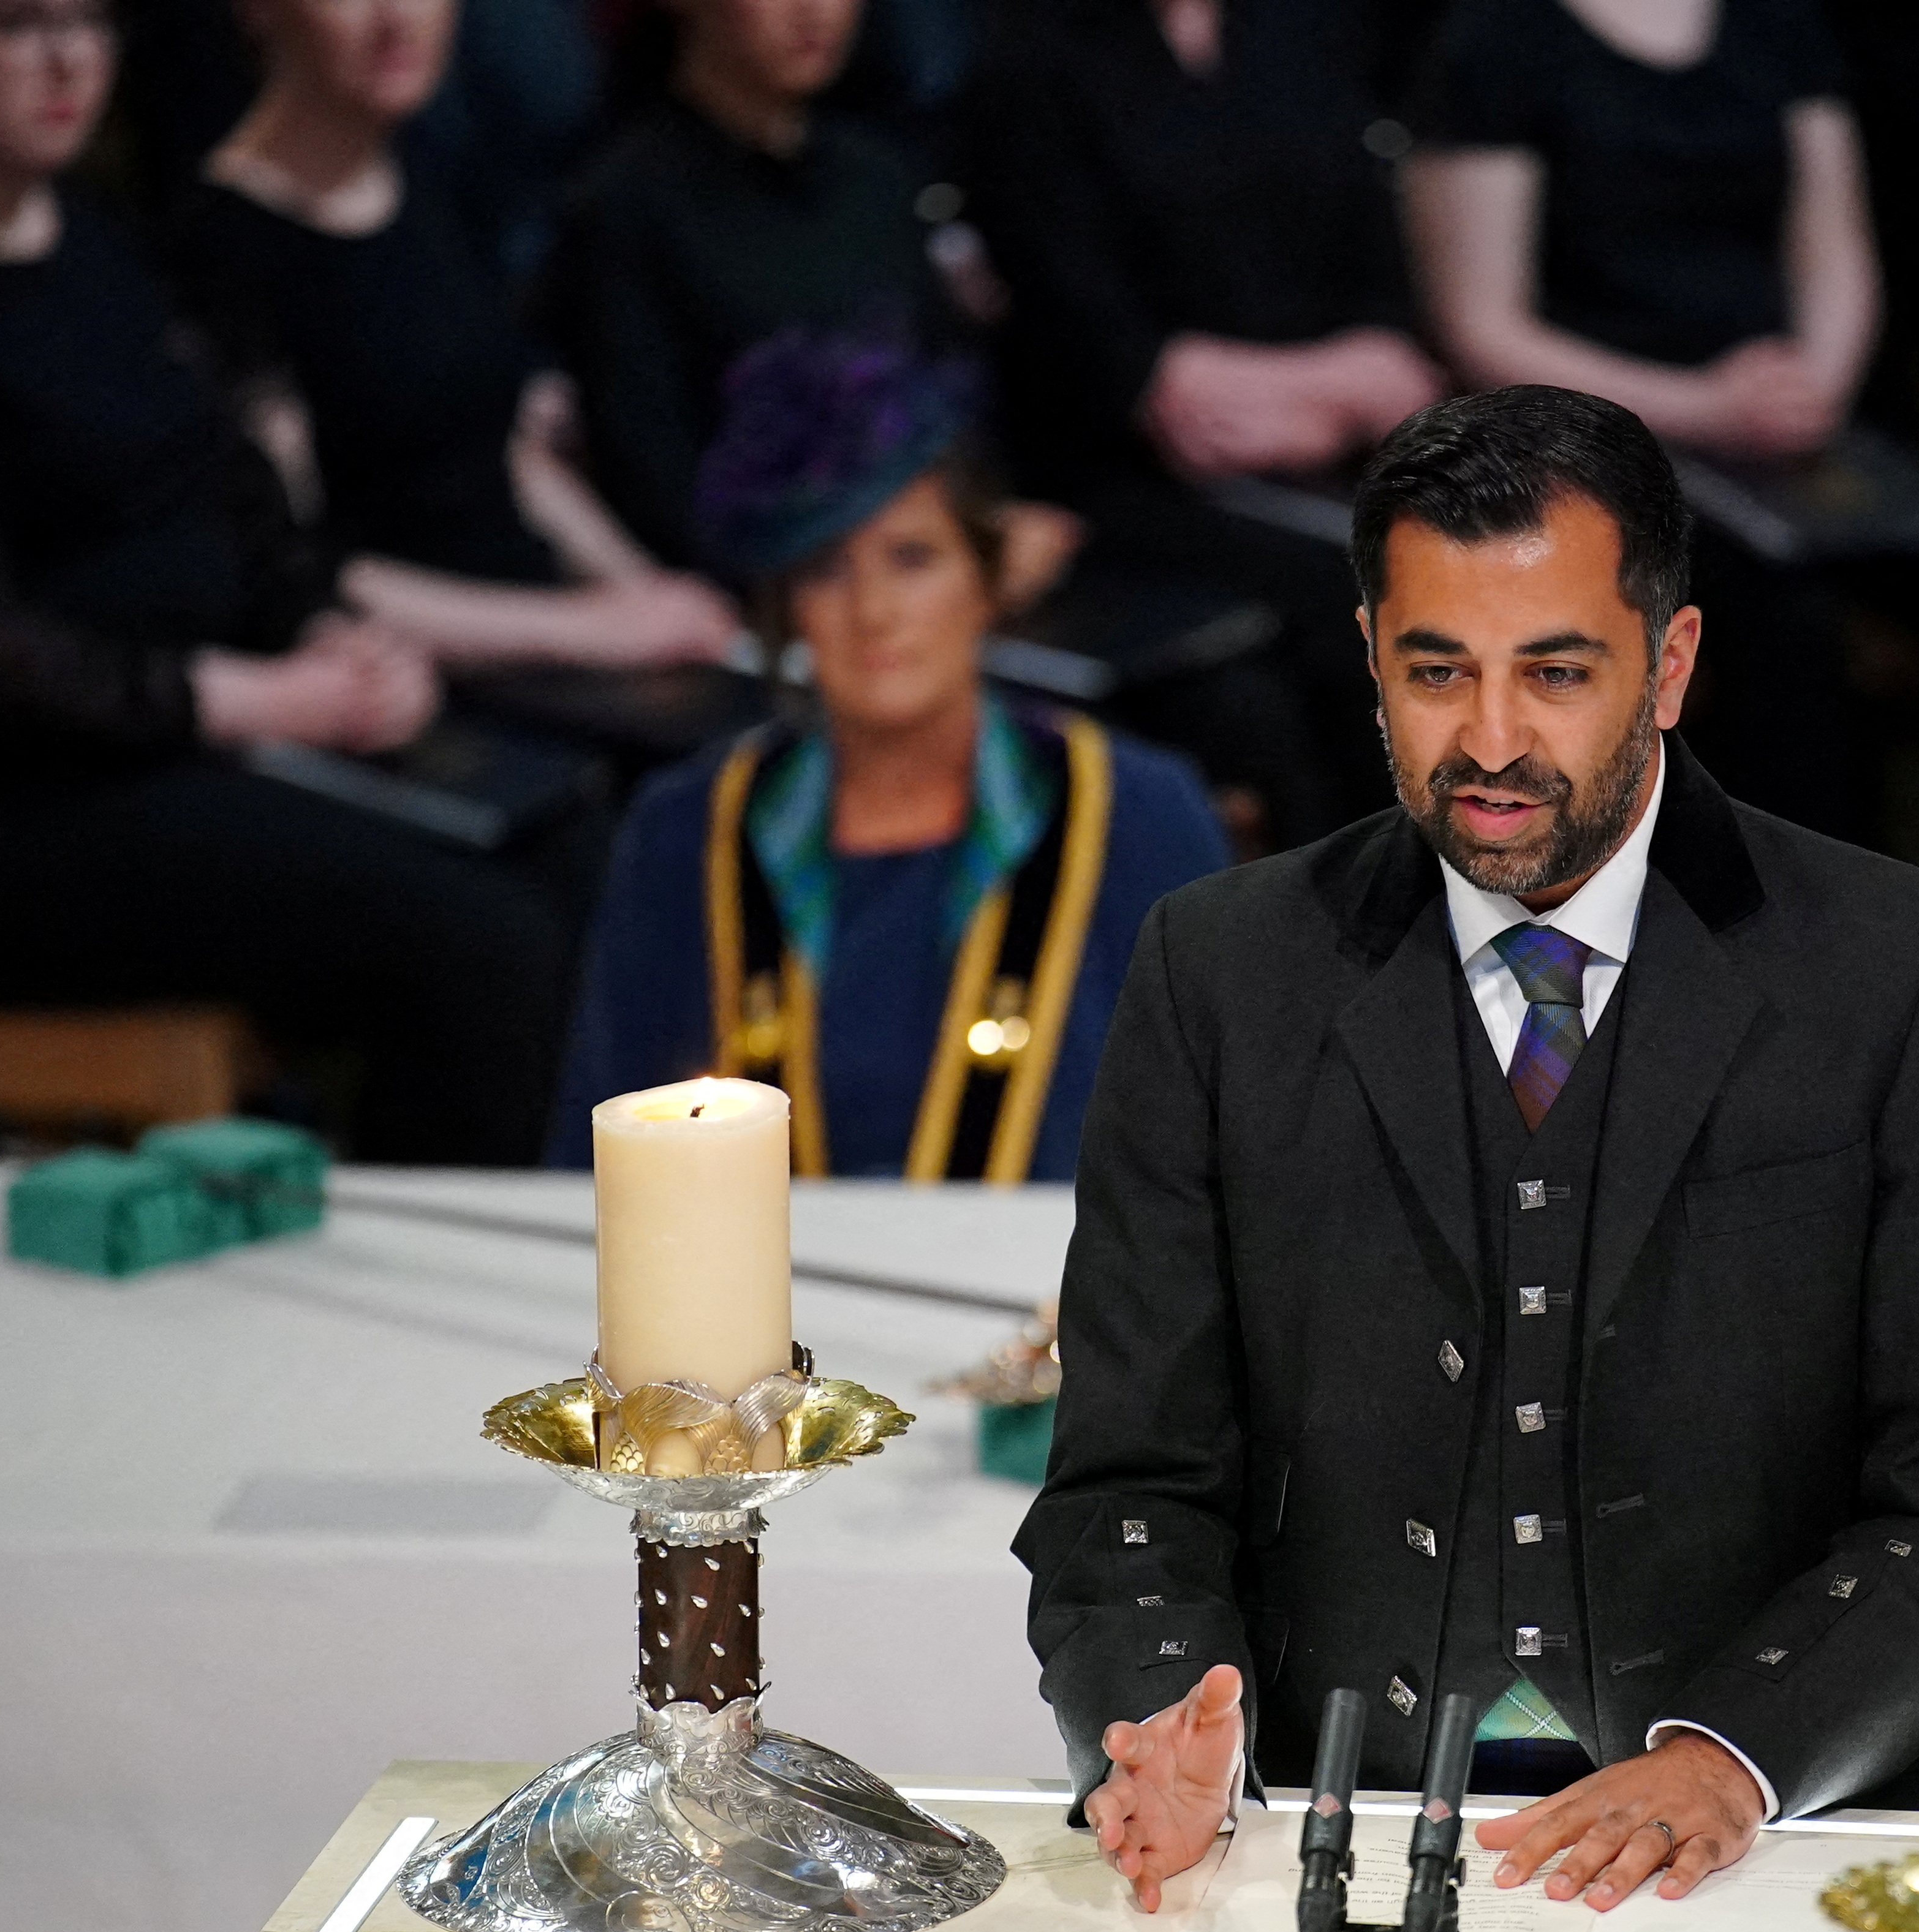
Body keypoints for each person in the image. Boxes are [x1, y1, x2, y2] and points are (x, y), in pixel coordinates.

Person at [1025, 386, 1919, 1916]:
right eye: (1436, 670)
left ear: (1672, 663)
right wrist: (1170, 1727)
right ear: (1371, 658)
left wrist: (1735, 1757)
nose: (1492, 740)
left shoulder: (1896, 968)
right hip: (1319, 1842)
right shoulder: (1219, 972)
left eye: (1557, 672)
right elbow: (1129, 1479)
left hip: (1765, 1855)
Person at [0, 0, 591, 1161]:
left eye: (90, 22)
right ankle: (407, 1264)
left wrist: (327, 635)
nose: (68, 61)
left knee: (567, 844)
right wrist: (258, 698)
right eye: (18, 25)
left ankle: (548, 1236)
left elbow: (236, 495)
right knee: (478, 941)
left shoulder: (100, 238)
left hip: (178, 758)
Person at [1402, 0, 1919, 968]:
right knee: (1781, 629)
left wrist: (1817, 381)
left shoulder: (1780, 28)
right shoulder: (1496, 44)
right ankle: (1799, 969)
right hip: (1592, 444)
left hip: (1779, 424)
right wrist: (1702, 406)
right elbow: (1484, 328)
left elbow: (1836, 249)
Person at [548, 333, 1231, 1180]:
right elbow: (595, 1176)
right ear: (787, 608)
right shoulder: (684, 830)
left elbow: (1242, 1151)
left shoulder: (1141, 811)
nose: (873, 610)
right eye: (827, 569)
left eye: (913, 558)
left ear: (988, 575)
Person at [964, 0, 1442, 848]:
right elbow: (1136, 373)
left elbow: (1391, 332)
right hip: (1116, 480)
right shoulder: (1028, 64)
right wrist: (1340, 388)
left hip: (1319, 453)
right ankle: (1377, 909)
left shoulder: (1305, 29)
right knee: (1364, 601)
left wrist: (1317, 401)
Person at [180, 0, 743, 670]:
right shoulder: (219, 244)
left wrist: (644, 589)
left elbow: (500, 452)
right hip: (403, 676)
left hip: (542, 629)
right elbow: (295, 568)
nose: (398, 17)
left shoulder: (422, 172)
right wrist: (590, 628)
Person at [536, 0, 950, 570]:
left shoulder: (880, 173)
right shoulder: (620, 209)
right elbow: (658, 488)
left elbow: (951, 389)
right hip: (764, 581)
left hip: (922, 550)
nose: (814, 11)